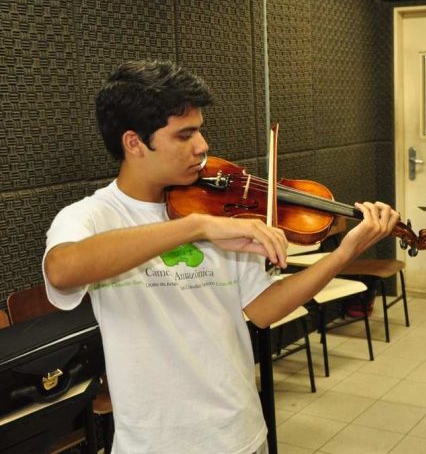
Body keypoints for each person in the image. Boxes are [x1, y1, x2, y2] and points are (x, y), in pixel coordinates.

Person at [41, 59, 399, 454]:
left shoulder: (221, 206)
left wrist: (344, 253)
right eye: (184, 135)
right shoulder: (90, 217)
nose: (202, 146)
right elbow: (63, 269)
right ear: (134, 143)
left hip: (240, 433)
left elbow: (262, 309)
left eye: (201, 131)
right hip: (153, 442)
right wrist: (196, 228)